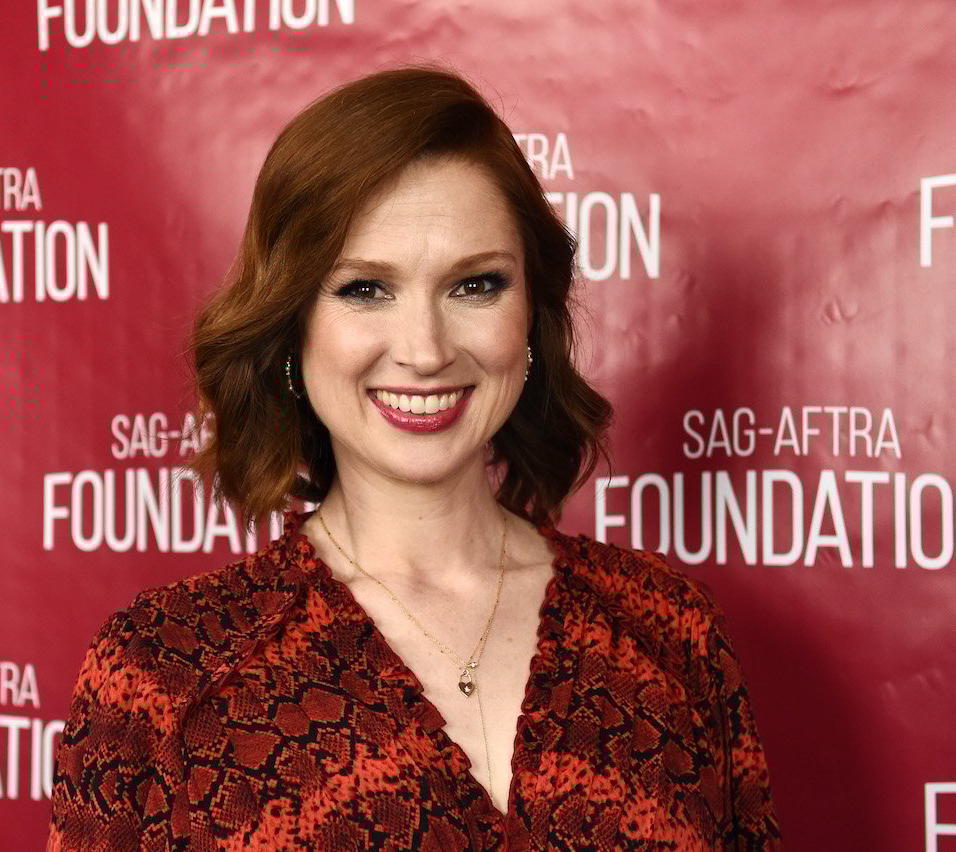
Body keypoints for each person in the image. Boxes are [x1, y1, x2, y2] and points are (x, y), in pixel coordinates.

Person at [47, 65, 783, 850]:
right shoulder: (166, 670)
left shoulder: (670, 632)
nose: (426, 351)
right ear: (291, 326)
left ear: (531, 317)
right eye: (366, 289)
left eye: (475, 285)